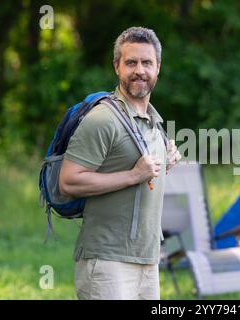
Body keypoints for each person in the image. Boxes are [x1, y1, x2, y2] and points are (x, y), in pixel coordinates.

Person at [58, 26, 181, 300]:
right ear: (117, 67)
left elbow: (144, 177)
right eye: (131, 62)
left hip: (148, 260)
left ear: (158, 68)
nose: (140, 70)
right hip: (107, 261)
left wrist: (166, 162)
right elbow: (68, 181)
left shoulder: (155, 122)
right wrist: (133, 175)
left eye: (147, 62)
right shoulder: (103, 119)